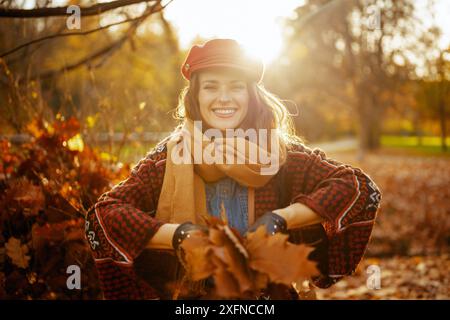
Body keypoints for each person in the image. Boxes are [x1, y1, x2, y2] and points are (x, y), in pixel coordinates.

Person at [84, 38, 382, 300]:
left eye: (235, 87)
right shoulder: (171, 155)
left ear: (250, 95)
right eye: (211, 86)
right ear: (195, 97)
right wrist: (180, 235)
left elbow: (360, 190)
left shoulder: (279, 153)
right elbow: (103, 216)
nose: (223, 98)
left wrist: (279, 219)